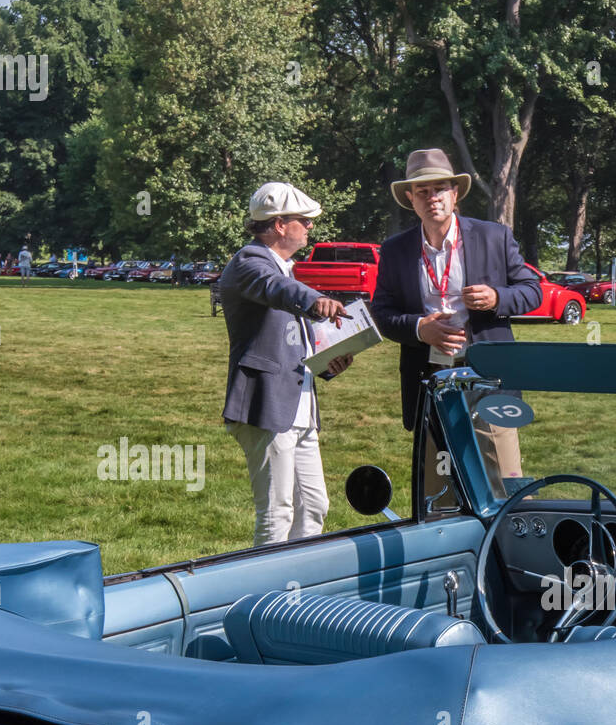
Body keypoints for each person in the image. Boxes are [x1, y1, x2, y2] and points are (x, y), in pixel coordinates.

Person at [371, 147, 541, 503]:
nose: (432, 198)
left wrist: (497, 298)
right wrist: (420, 329)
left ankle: (512, 549)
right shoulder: (395, 250)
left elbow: (532, 291)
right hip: (431, 377)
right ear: (410, 198)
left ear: (455, 193)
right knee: (440, 483)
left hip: (489, 376)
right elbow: (382, 313)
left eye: (440, 189)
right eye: (423, 191)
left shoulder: (494, 236)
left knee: (504, 479)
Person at [219, 181, 354, 546]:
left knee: (313, 506)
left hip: (299, 407)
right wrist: (317, 299)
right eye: (304, 220)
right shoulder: (250, 261)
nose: (309, 227)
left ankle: (299, 593)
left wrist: (327, 364)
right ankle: (268, 598)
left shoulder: (281, 268)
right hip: (267, 405)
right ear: (280, 224)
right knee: (277, 512)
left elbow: (290, 334)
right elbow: (278, 292)